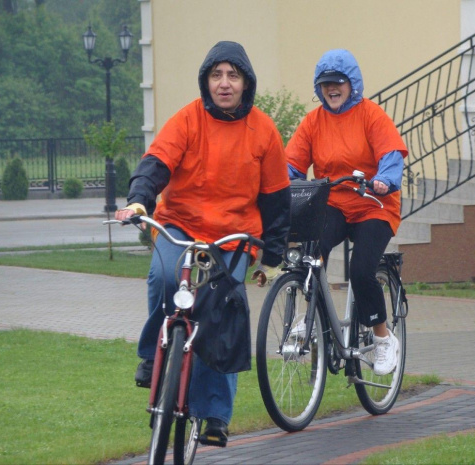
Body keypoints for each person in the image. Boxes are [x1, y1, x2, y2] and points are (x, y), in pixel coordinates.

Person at [115, 40, 291, 447]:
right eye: (216, 75)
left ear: (246, 83)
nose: (224, 83)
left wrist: (273, 252)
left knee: (222, 311)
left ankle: (214, 414)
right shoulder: (188, 120)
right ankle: (151, 355)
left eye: (233, 75)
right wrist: (141, 198)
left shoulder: (263, 130)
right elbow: (156, 163)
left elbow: (276, 199)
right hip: (181, 225)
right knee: (162, 276)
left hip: (233, 237)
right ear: (205, 80)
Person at [285, 49, 408, 377]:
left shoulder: (371, 115)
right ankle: (309, 318)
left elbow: (392, 154)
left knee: (361, 269)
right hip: (336, 203)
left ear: (352, 84)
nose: (332, 88)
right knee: (311, 254)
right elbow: (291, 163)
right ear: (319, 88)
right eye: (325, 84)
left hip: (373, 204)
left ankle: (382, 337)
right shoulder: (313, 122)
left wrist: (384, 179)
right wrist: (277, 184)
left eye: (338, 82)